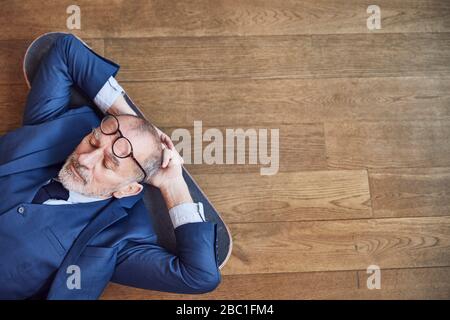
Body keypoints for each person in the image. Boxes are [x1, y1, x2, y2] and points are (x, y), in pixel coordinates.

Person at [0, 34, 220, 299]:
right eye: (93, 142)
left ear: (127, 189)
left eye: (107, 163)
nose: (83, 159)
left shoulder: (117, 240)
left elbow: (199, 276)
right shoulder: (55, 127)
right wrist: (126, 117)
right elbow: (66, 48)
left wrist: (173, 184)